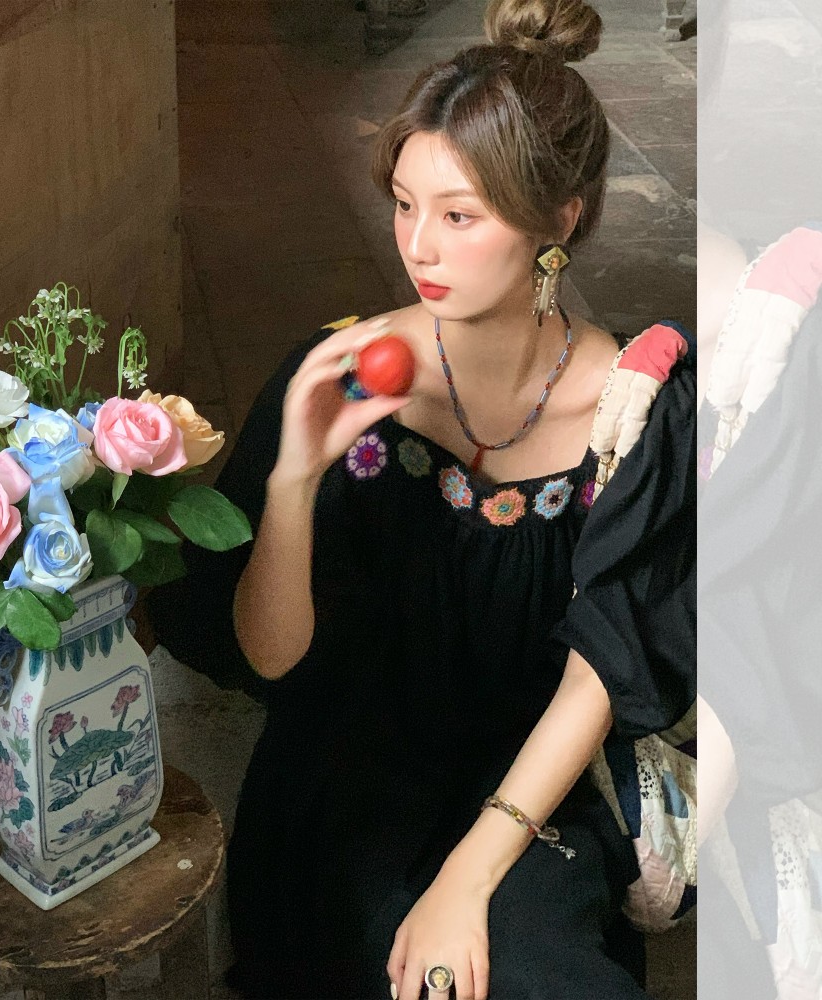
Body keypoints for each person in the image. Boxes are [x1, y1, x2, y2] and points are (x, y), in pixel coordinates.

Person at [151, 1, 696, 997]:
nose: (417, 246)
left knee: (538, 978)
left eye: (459, 215)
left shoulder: (633, 411)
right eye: (405, 204)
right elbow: (269, 658)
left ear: (559, 220)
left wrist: (470, 875)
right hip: (346, 773)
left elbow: (600, 669)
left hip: (534, 785)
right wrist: (294, 477)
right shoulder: (336, 375)